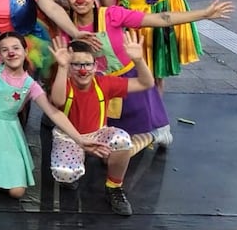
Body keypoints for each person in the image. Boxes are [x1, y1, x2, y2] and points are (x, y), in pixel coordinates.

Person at [0, 0, 103, 199]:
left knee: (17, 192)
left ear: (25, 51)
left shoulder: (30, 84)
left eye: (15, 48)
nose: (10, 53)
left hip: (8, 129)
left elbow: (54, 112)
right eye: (5, 49)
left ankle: (7, 163)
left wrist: (80, 139)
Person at [61, 0, 232, 149]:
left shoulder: (111, 15)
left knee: (125, 144)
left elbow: (161, 19)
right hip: (95, 87)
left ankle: (154, 135)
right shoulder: (66, 26)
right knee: (105, 146)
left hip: (129, 83)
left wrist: (204, 14)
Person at [48, 35, 156, 217]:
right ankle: (77, 165)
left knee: (123, 140)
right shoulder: (64, 83)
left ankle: (114, 187)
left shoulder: (104, 83)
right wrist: (62, 67)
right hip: (69, 137)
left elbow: (146, 83)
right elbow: (57, 100)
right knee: (65, 174)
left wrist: (138, 60)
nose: (83, 70)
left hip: (98, 134)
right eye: (76, 65)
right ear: (69, 67)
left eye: (87, 64)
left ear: (96, 66)